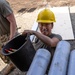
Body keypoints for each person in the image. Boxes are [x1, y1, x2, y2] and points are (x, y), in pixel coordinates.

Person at [22, 8, 62, 73]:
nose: (43, 28)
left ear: (52, 26)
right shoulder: (37, 38)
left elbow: (51, 43)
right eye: (41, 24)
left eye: (47, 24)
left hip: (50, 71)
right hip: (37, 68)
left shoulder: (57, 37)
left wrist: (34, 32)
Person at [0, 0, 17, 75]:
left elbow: (13, 22)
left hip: (8, 35)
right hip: (1, 37)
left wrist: (10, 39)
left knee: (16, 59)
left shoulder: (2, 4)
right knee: (6, 59)